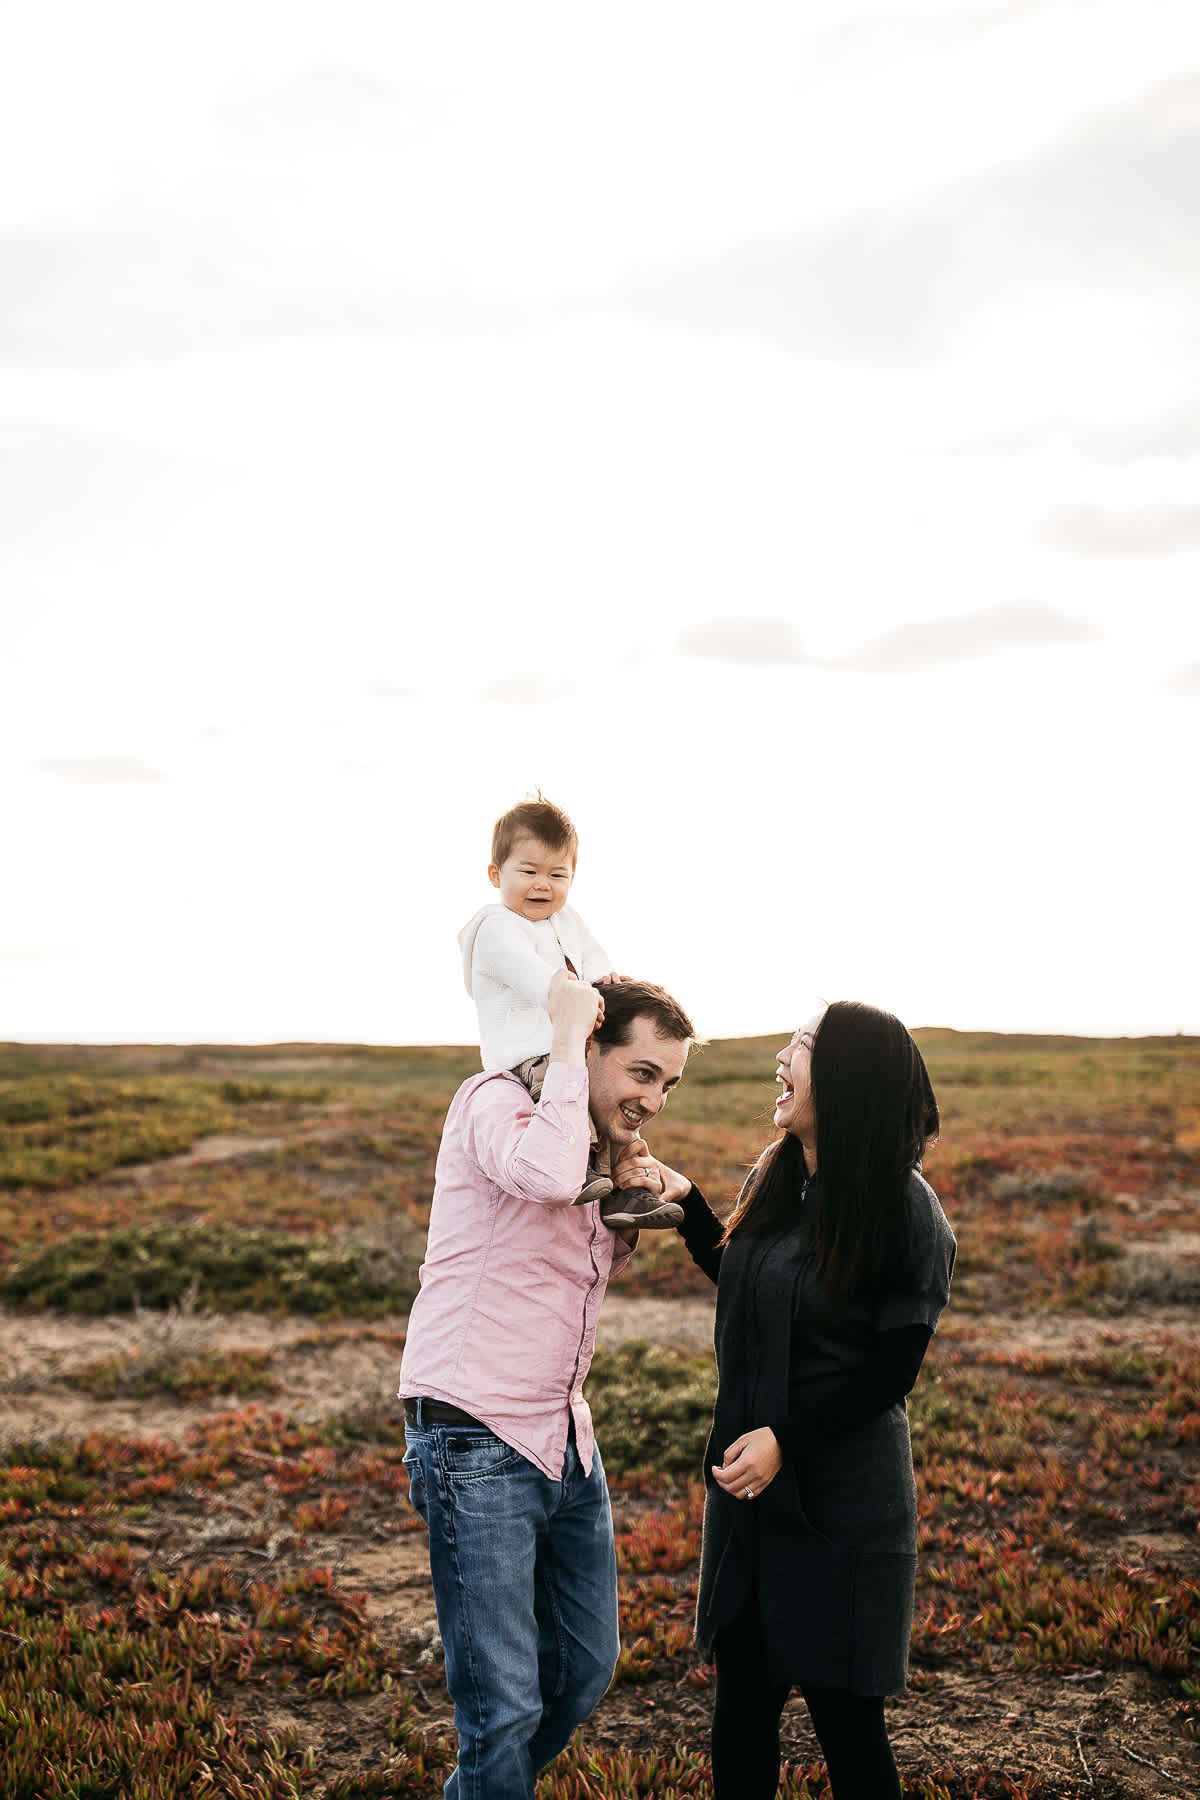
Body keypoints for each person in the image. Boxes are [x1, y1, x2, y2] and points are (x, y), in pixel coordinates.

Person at [399, 972, 697, 1800]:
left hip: (563, 1436)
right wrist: (566, 1039)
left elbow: (572, 1268)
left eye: (668, 1084)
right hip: (474, 1432)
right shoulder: (492, 1102)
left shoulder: (592, 1143)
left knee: (582, 1668)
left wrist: (636, 1196)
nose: (655, 1100)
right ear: (586, 1045)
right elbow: (541, 1180)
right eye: (642, 1073)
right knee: (501, 1705)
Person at [652, 1001, 956, 1800]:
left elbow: (893, 1371)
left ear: (850, 1080)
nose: (782, 1055)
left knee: (848, 1725)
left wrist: (786, 1435)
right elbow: (755, 1285)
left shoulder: (905, 1209)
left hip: (842, 1510)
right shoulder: (777, 1170)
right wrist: (687, 1205)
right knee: (742, 1710)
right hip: (752, 1501)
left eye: (805, 1045)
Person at [458, 793, 683, 1229]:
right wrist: (570, 993)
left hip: (568, 1047)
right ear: (495, 874)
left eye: (557, 874)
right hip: (528, 1056)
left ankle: (626, 1193)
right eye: (529, 872)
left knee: (612, 1115)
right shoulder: (495, 928)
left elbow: (594, 958)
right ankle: (574, 1165)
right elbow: (533, 976)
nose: (543, 885)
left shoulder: (567, 920)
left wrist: (607, 981)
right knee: (565, 1100)